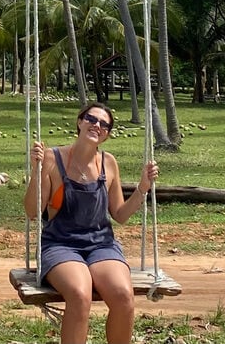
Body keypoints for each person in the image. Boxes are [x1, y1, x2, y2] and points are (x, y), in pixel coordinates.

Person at [23, 102, 159, 344]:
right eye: (91, 119)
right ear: (80, 121)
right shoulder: (52, 158)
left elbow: (120, 214)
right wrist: (37, 171)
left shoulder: (109, 163)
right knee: (79, 293)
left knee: (123, 295)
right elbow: (33, 211)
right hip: (60, 245)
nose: (97, 125)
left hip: (101, 246)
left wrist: (142, 188)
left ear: (106, 134)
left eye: (104, 124)